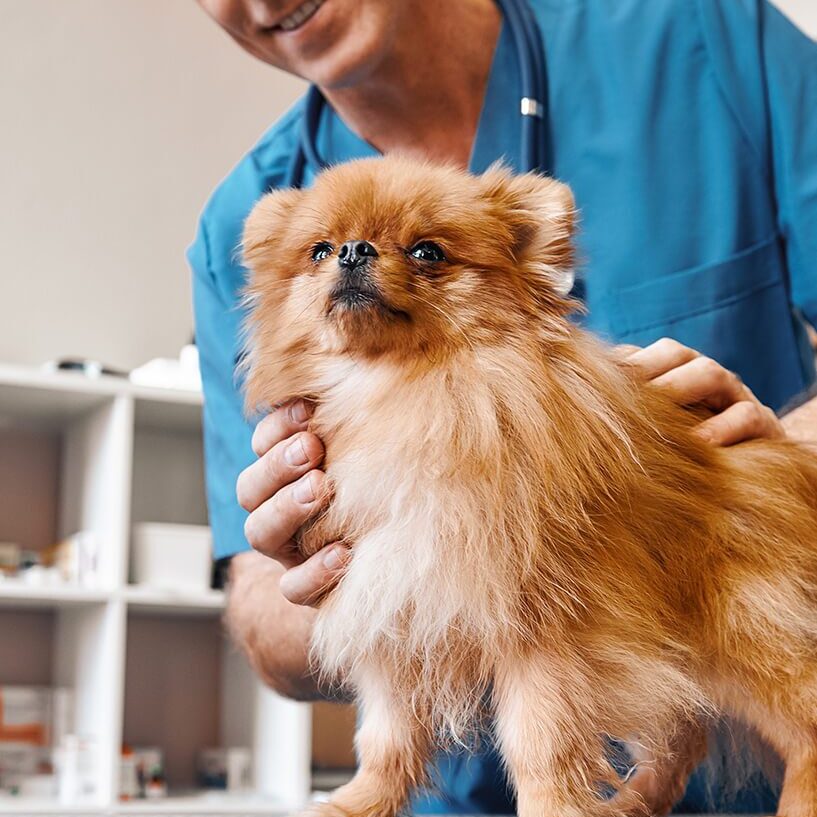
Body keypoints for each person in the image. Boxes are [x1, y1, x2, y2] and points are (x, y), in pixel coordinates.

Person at [188, 0, 817, 812]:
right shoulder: (237, 218)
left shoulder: (702, 36)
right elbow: (268, 622)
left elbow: (539, 610)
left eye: (424, 252)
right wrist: (328, 581)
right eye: (322, 250)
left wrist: (793, 449)